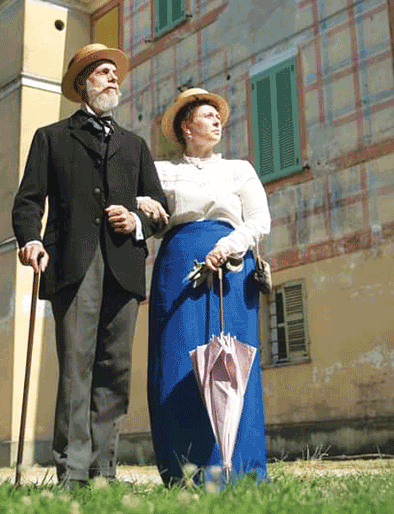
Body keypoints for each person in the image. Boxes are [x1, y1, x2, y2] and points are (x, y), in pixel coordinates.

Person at [12, 43, 168, 489]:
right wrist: (32, 240)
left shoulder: (134, 145)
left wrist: (138, 219)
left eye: (114, 73)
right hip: (72, 264)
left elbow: (161, 208)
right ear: (83, 84)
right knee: (76, 367)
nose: (112, 79)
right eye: (102, 73)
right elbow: (28, 201)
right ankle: (73, 473)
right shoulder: (52, 137)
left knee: (114, 370)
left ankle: (104, 471)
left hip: (124, 263)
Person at [140, 88, 271, 486]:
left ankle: (241, 470)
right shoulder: (162, 171)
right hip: (178, 263)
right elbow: (145, 212)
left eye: (219, 116)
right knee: (176, 361)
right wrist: (141, 204)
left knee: (233, 361)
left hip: (232, 268)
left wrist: (228, 247)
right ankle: (185, 473)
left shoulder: (239, 169)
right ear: (186, 126)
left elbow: (259, 220)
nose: (218, 121)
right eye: (208, 116)